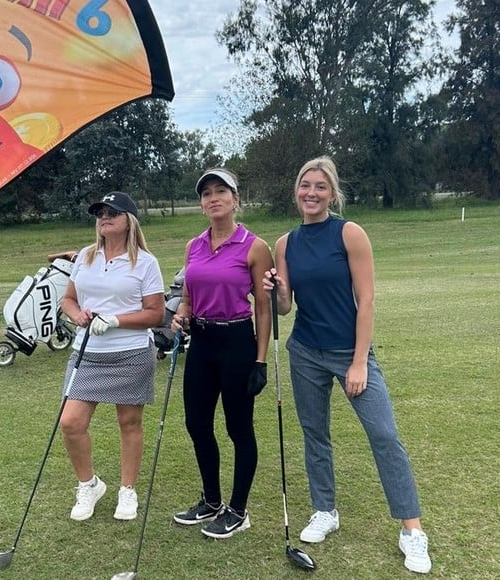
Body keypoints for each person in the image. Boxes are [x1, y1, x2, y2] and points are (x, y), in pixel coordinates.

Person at [263, 156, 432, 574]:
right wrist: (277, 289)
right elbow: (285, 308)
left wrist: (359, 362)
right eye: (305, 185)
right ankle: (325, 510)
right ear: (296, 191)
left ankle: (412, 530)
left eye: (320, 186)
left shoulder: (350, 233)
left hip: (348, 353)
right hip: (304, 351)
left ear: (332, 193)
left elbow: (367, 299)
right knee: (314, 435)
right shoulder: (286, 243)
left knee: (384, 435)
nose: (311, 193)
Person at [170, 168, 273, 539]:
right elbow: (187, 295)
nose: (213, 198)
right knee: (197, 424)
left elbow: (264, 307)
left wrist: (260, 361)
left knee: (238, 428)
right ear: (201, 204)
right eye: (207, 193)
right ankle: (211, 501)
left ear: (235, 199)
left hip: (238, 343)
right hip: (202, 343)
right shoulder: (193, 246)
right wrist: (182, 313)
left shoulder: (255, 246)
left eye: (221, 191)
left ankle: (238, 510)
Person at [59, 191, 165, 522]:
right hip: (87, 353)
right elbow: (68, 299)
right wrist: (77, 315)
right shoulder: (86, 257)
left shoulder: (145, 263)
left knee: (129, 422)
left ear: (129, 221)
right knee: (70, 422)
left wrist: (116, 320)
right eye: (101, 212)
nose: (104, 216)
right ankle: (89, 485)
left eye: (113, 212)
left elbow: (156, 314)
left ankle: (127, 490)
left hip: (130, 353)